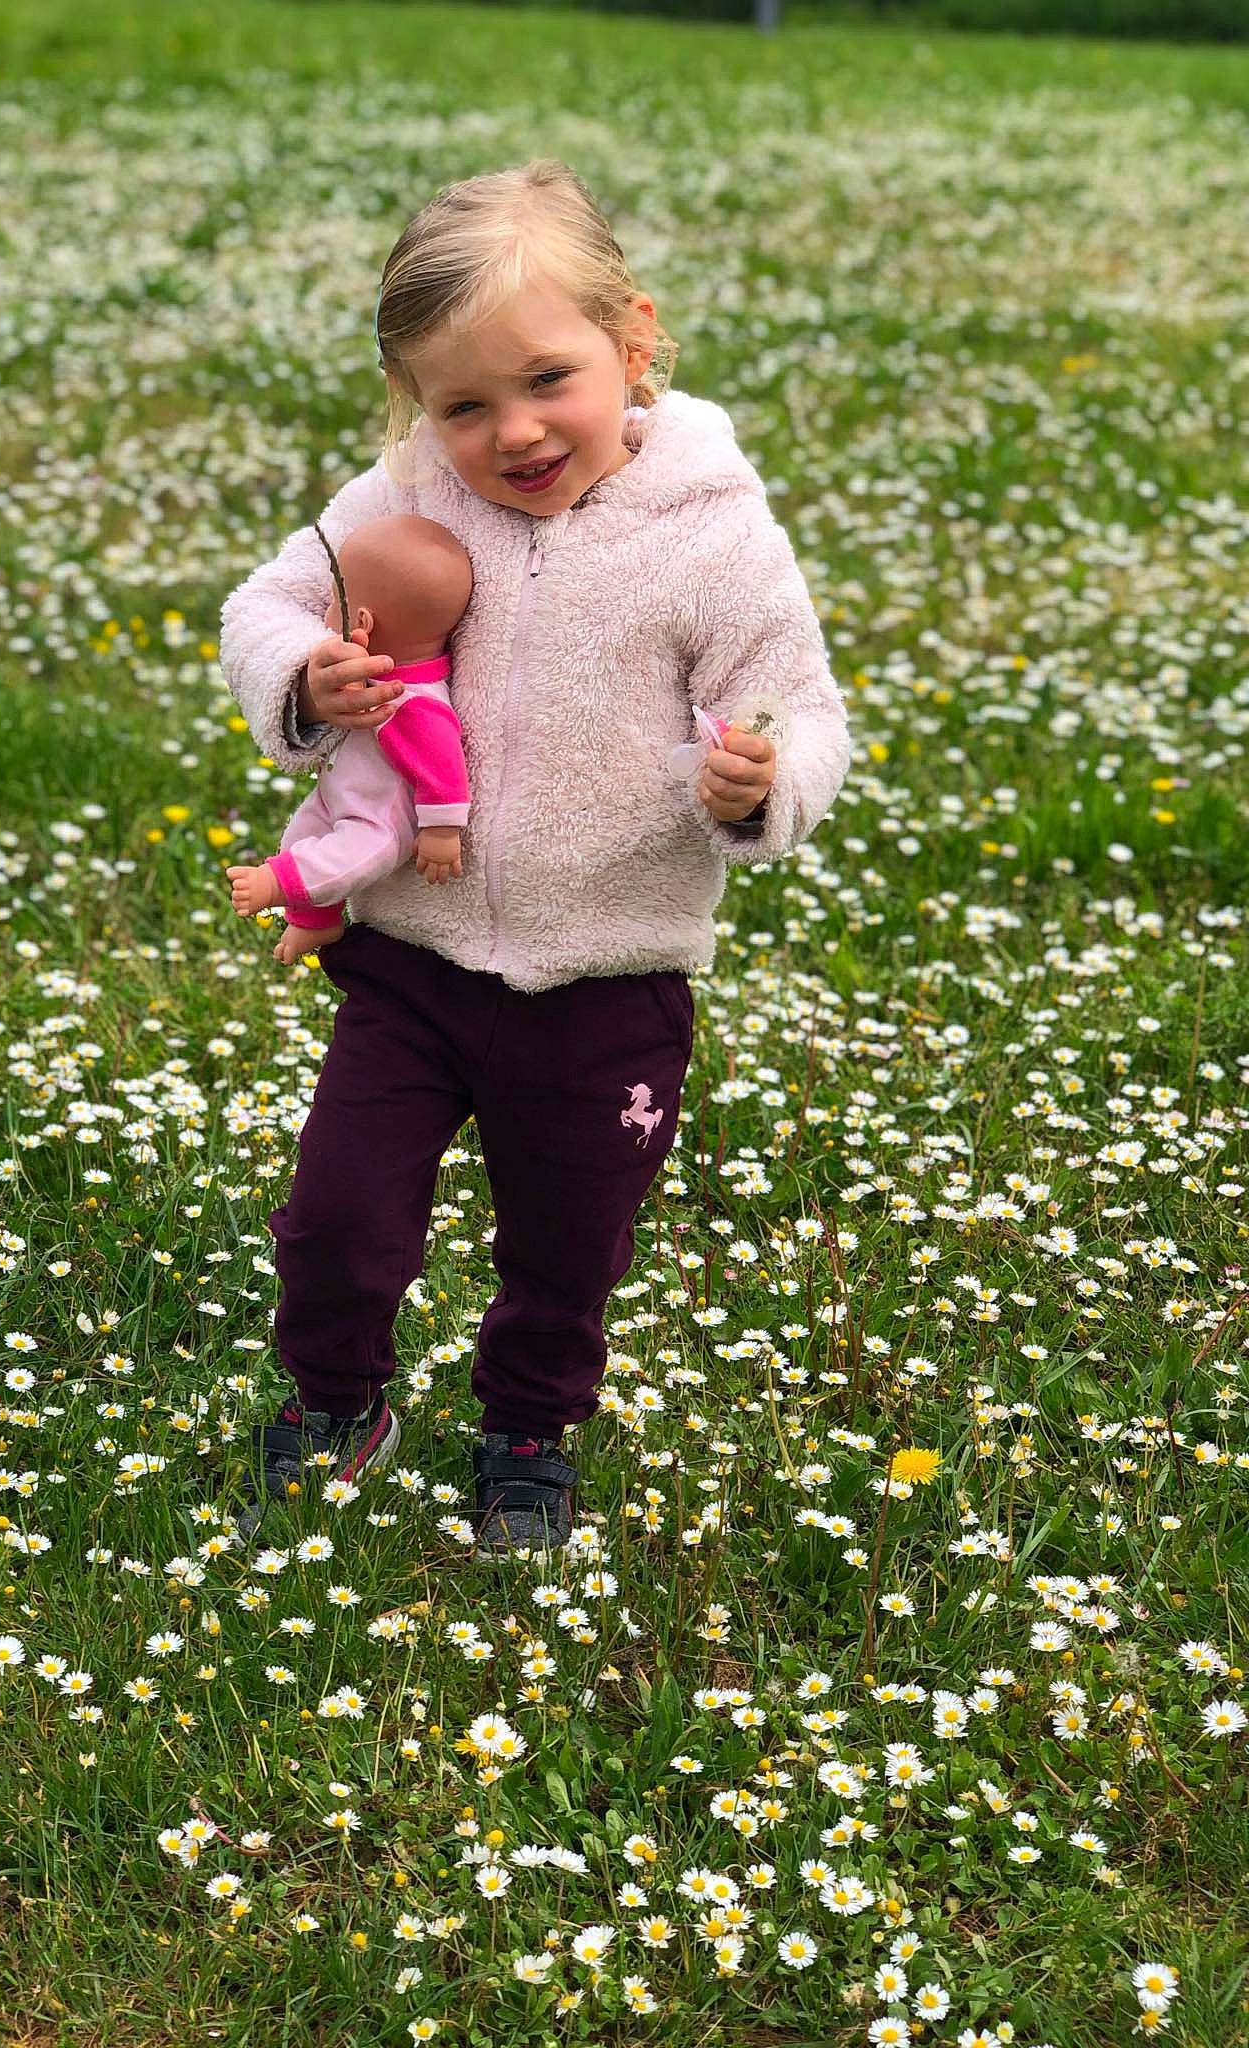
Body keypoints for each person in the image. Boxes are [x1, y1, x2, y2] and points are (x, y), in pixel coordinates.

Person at [216, 157, 851, 1555]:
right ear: (416, 406)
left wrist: (762, 783)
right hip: (412, 958)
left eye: (548, 380)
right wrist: (302, 669)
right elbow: (263, 601)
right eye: (462, 405)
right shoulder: (403, 496)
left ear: (633, 344)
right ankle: (336, 1401)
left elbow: (801, 708)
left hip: (611, 972)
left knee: (567, 1246)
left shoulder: (713, 530)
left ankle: (525, 1437)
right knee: (336, 1216)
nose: (511, 432)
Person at [225, 514, 475, 966]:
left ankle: (277, 884)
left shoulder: (413, 702)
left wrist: (442, 827)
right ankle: (316, 921)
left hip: (381, 822)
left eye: (331, 608)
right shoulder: (372, 678)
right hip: (340, 794)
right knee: (302, 833)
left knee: (344, 858)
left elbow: (444, 764)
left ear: (360, 622)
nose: (325, 617)